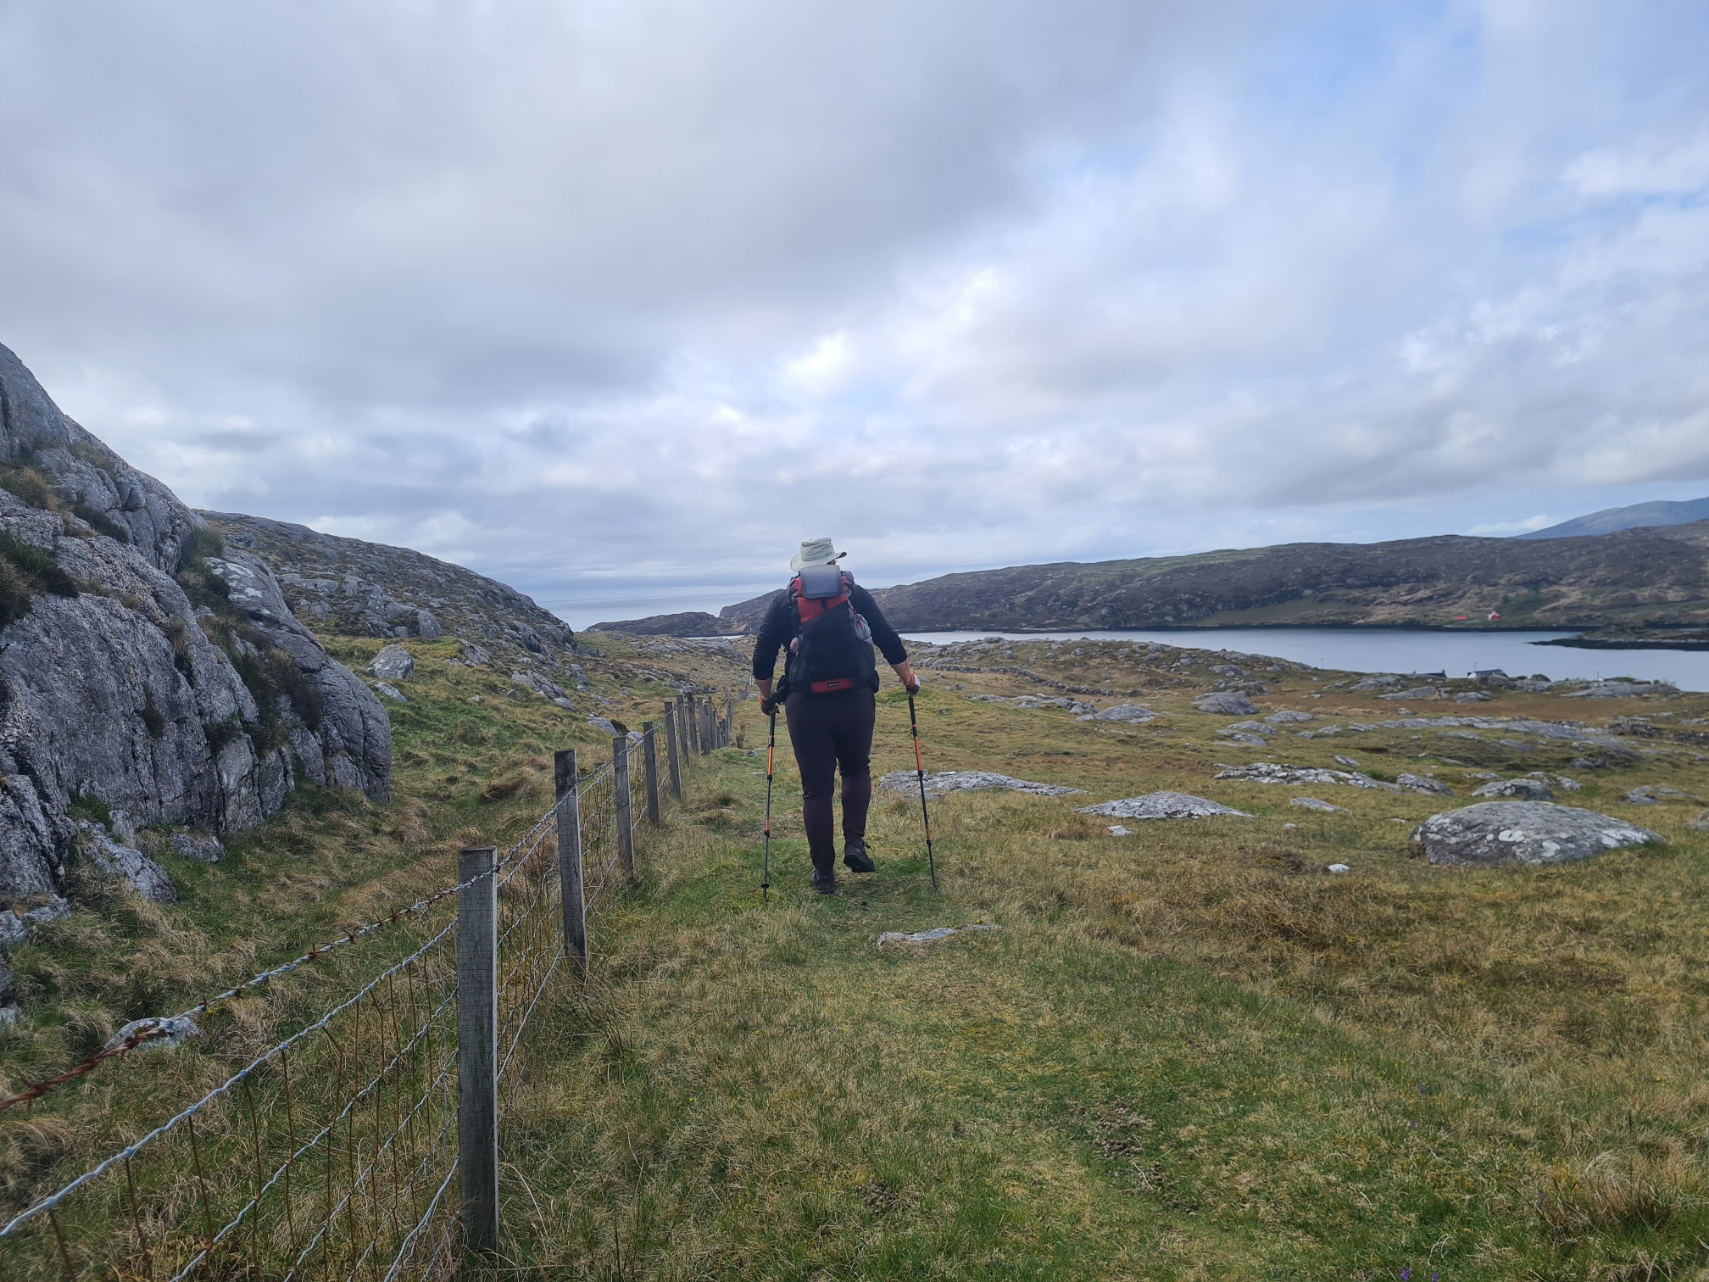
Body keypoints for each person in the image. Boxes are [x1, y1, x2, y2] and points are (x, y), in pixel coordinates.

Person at [753, 538, 917, 895]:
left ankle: (824, 873)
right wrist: (909, 680)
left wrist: (766, 698)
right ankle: (854, 843)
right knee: (855, 769)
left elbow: (762, 655)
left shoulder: (784, 601)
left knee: (816, 790)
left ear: (802, 567)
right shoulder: (853, 593)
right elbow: (887, 638)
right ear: (833, 563)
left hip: (805, 704)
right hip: (855, 699)